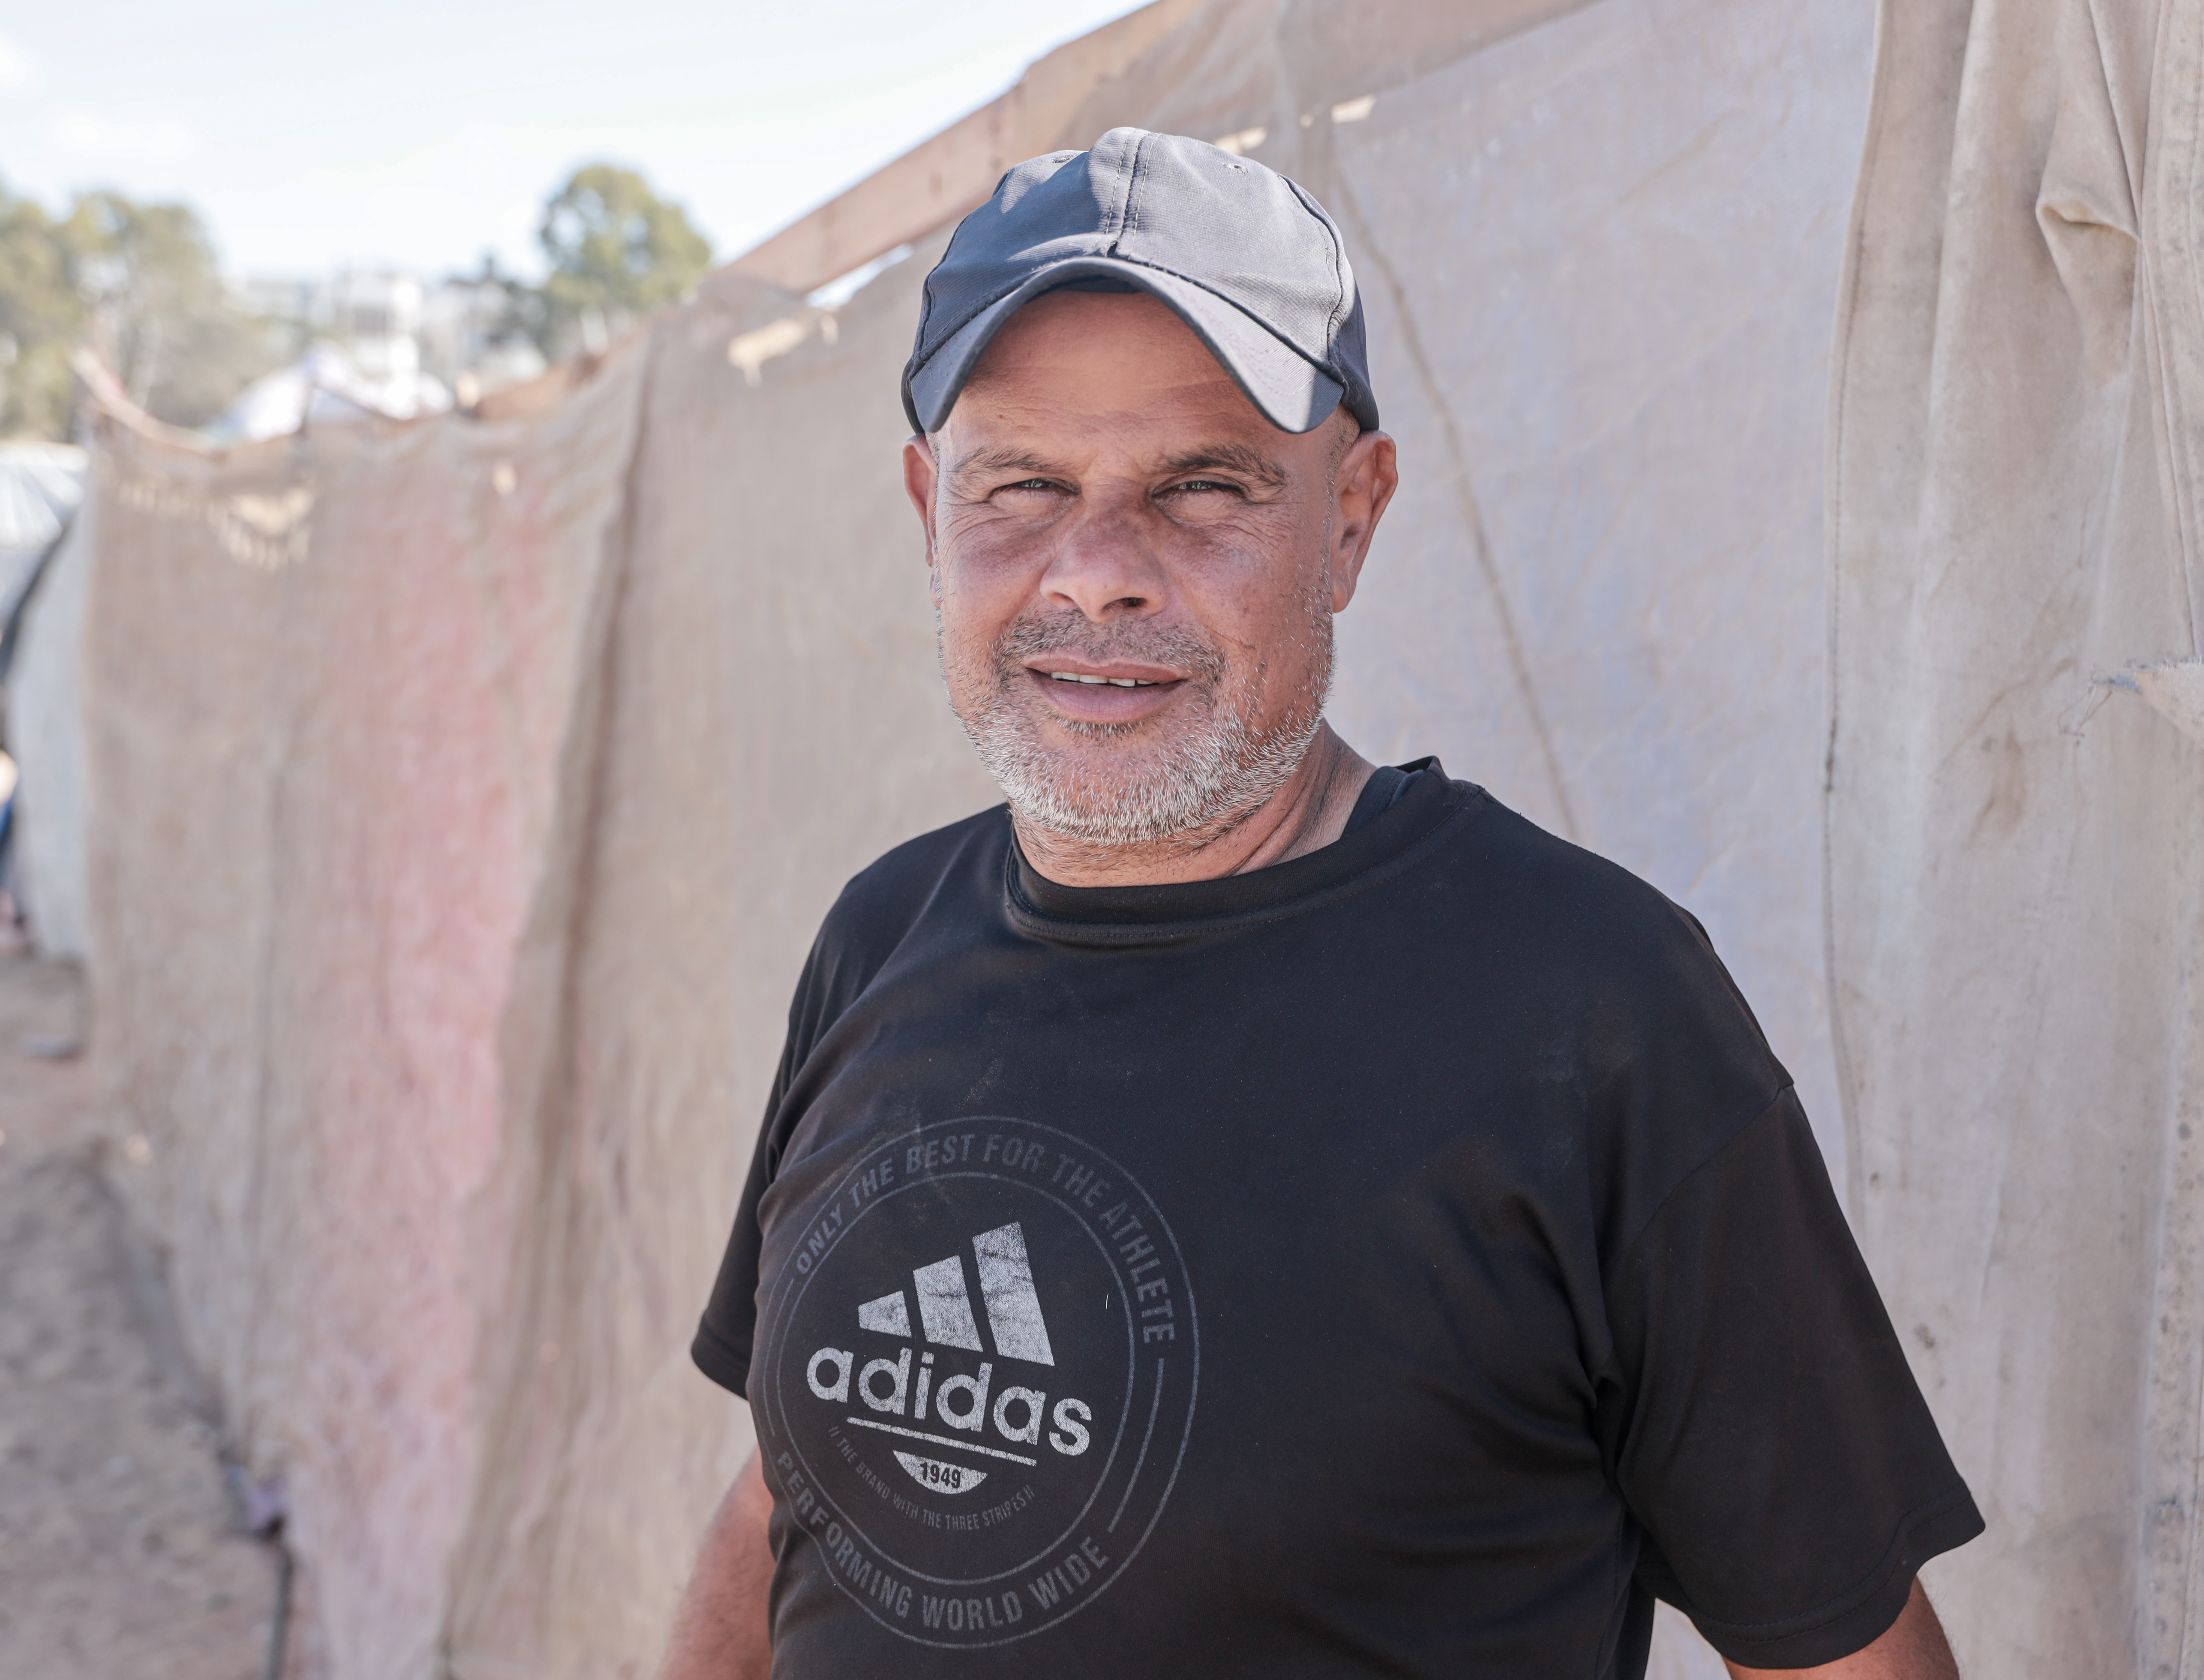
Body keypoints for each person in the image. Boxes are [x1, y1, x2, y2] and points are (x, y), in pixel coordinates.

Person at [662, 128, 1980, 1680]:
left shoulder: (1591, 1010)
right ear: (926, 512)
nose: (1094, 573)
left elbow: (1842, 1654)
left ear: (1350, 517)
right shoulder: (880, 938)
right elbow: (785, 1496)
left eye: (1201, 488)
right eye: (1020, 486)